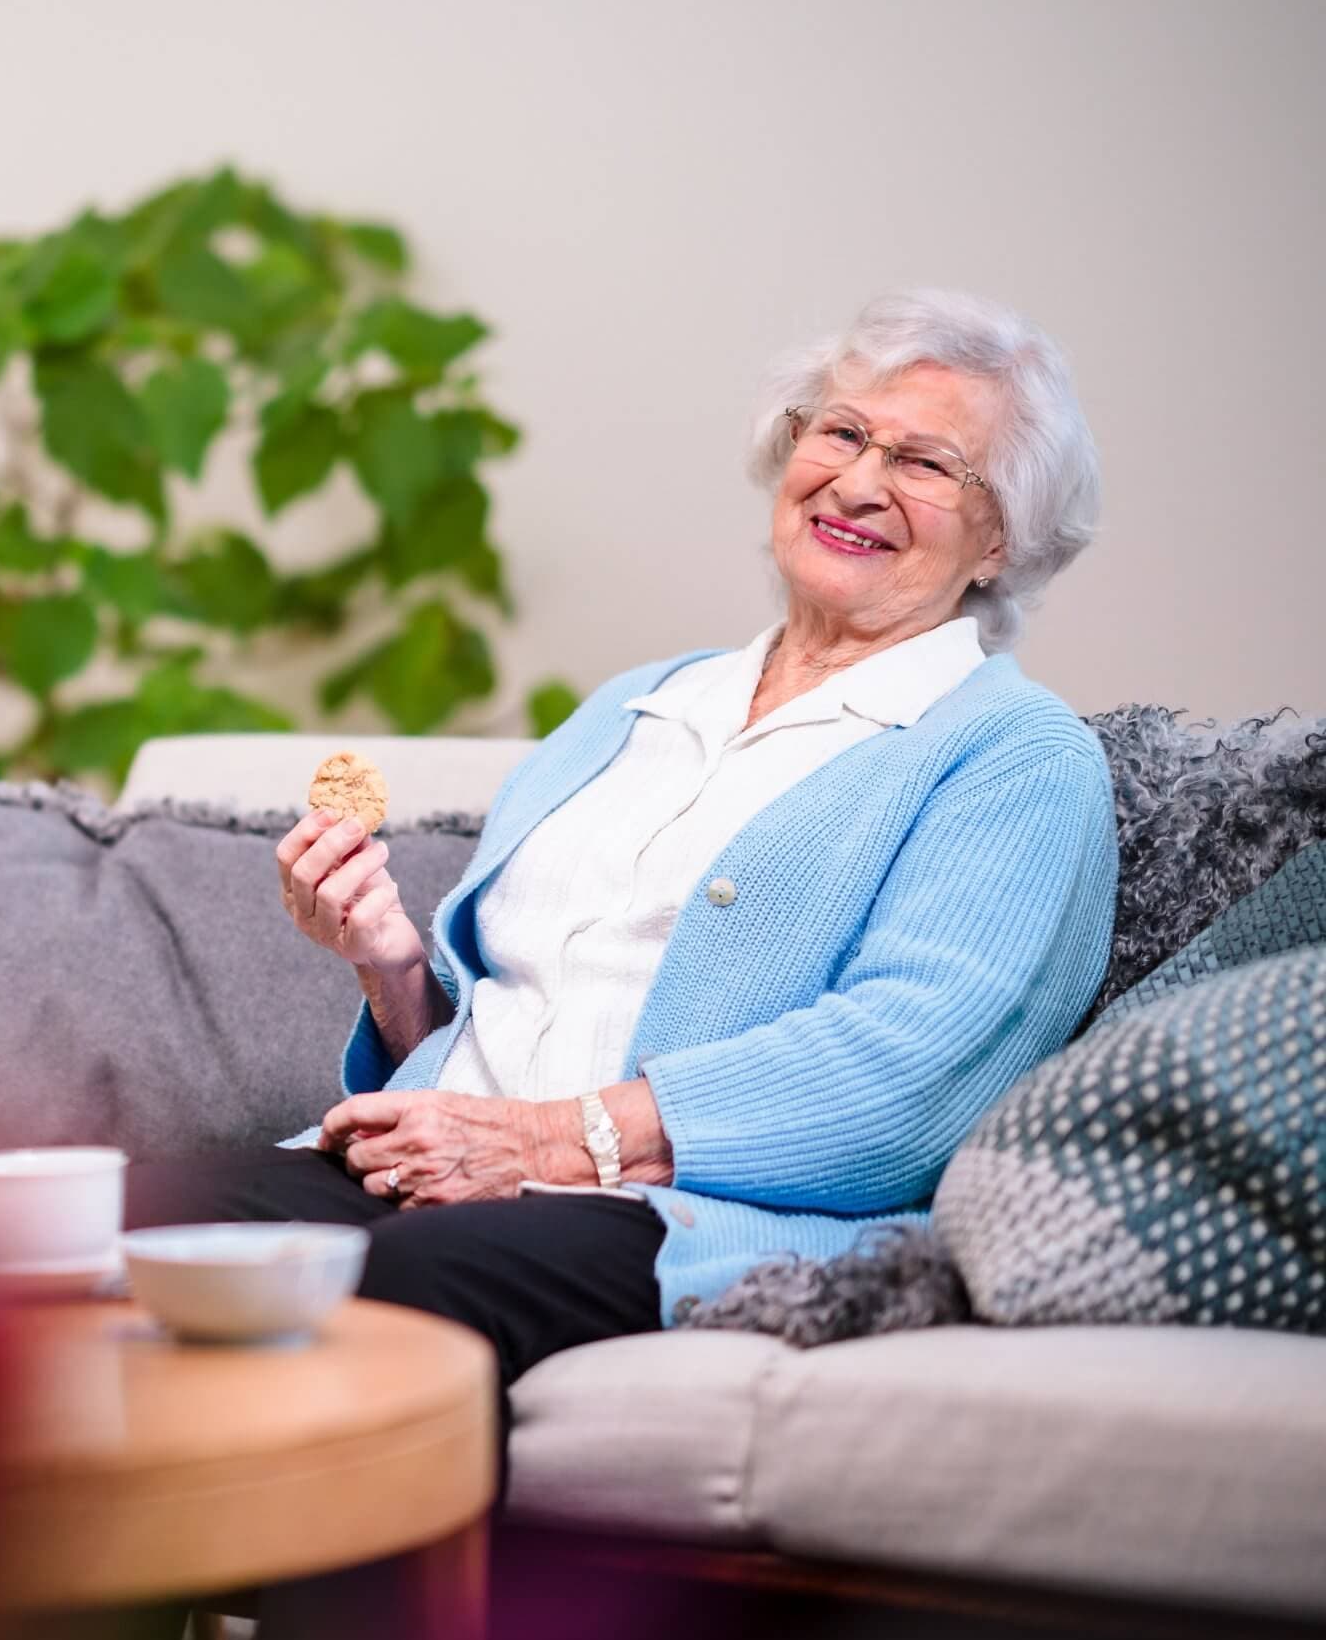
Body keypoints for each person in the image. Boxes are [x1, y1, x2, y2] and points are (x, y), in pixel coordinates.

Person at [128, 282, 1118, 1504]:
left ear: (1004, 536)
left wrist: (548, 1140)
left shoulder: (1015, 757)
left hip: (689, 1214)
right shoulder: (637, 705)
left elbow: (909, 1080)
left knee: (404, 1293)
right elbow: (511, 1016)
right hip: (452, 1173)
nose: (860, 481)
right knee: (112, 1240)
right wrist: (390, 966)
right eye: (843, 432)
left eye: (926, 462)